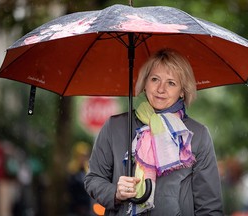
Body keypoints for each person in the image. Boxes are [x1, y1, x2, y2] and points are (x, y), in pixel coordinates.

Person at [84, 48, 223, 215]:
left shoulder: (196, 135)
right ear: (144, 83)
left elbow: (209, 206)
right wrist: (115, 193)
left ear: (182, 91)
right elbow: (93, 179)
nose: (161, 89)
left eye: (171, 83)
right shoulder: (115, 127)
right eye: (155, 79)